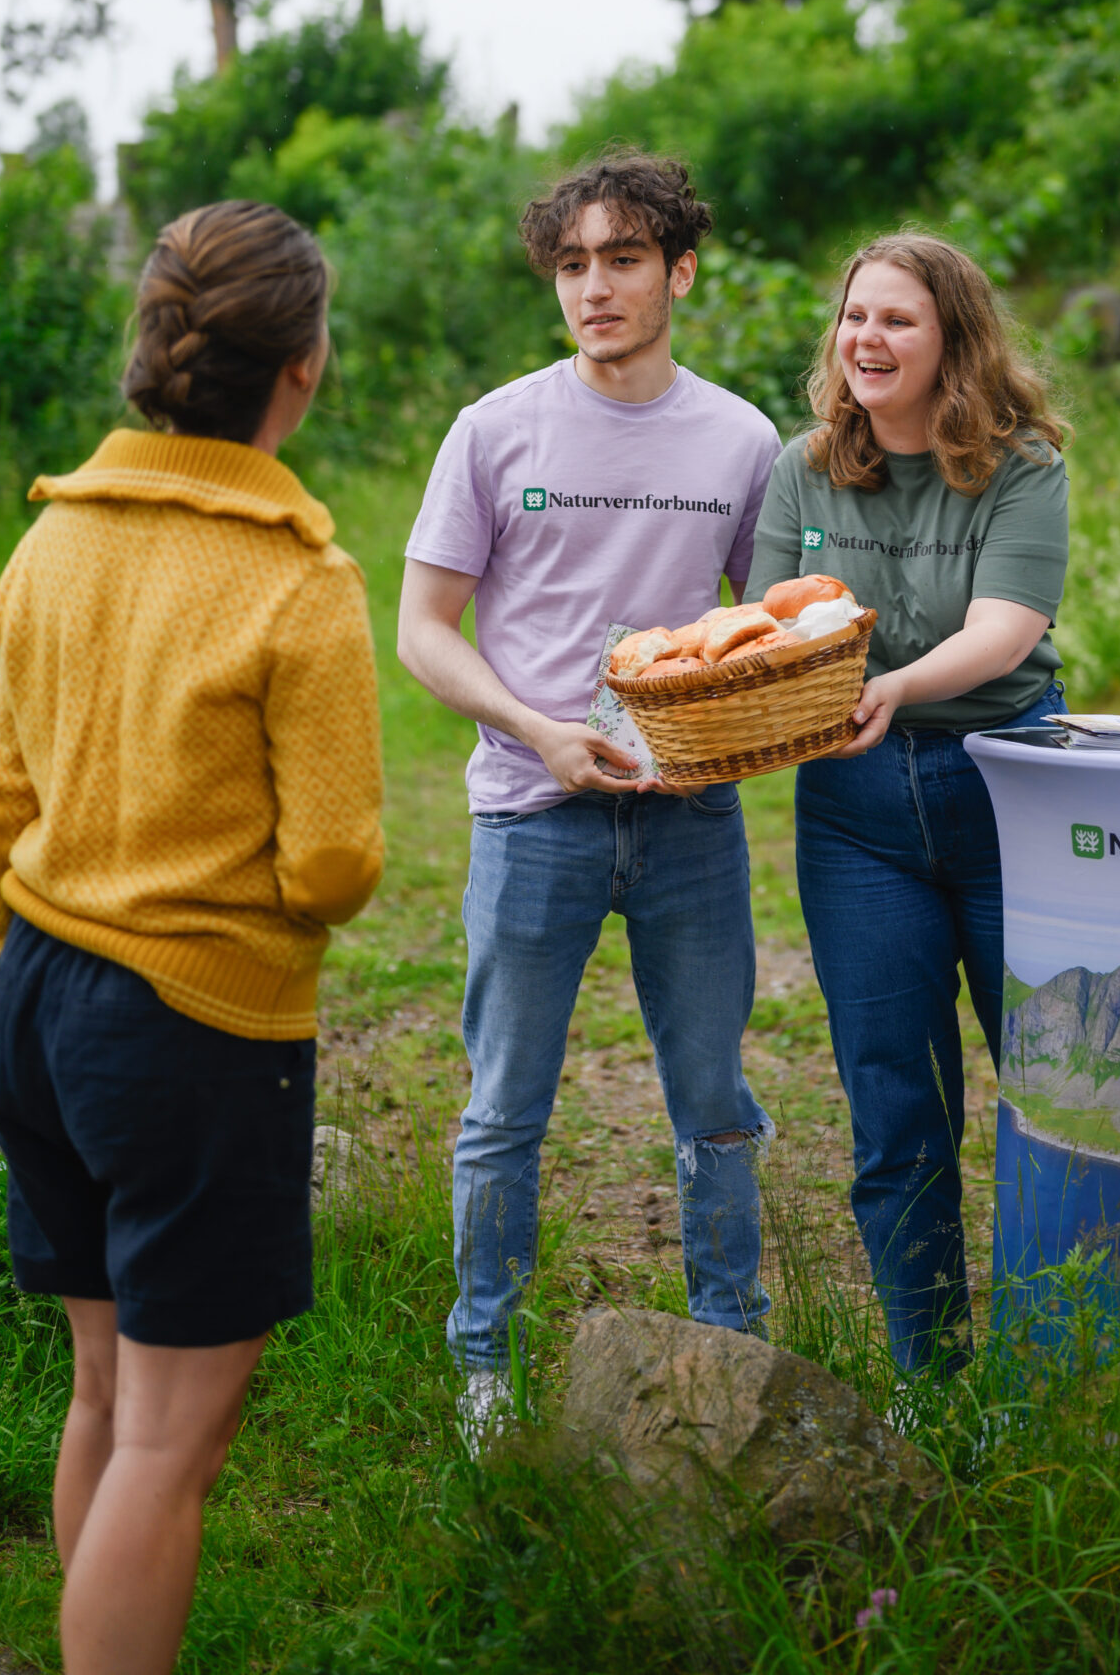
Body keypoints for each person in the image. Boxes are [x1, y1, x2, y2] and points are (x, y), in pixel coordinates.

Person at [0, 200, 385, 1675]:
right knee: (168, 1446)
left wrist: (34, 951)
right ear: (305, 368)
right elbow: (332, 866)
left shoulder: (53, 540)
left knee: (102, 1397)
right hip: (192, 1037)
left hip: (34, 999)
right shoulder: (298, 582)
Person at [397, 153, 781, 1434]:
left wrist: (739, 722)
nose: (594, 287)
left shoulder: (740, 439)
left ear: (678, 271)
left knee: (714, 1106)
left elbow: (769, 624)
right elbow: (422, 628)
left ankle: (732, 1352)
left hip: (688, 821)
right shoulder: (496, 428)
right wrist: (535, 728)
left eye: (622, 259)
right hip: (530, 809)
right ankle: (485, 1371)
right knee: (504, 1107)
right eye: (572, 263)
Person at [746, 232, 1068, 1379]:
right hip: (853, 817)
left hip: (1007, 794)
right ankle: (930, 1380)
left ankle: (1061, 1371)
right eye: (854, 317)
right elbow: (770, 620)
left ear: (953, 342)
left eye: (897, 320)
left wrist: (890, 681)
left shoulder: (1019, 464)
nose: (867, 339)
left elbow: (1004, 631)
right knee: (895, 1111)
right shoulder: (803, 467)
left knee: (1054, 1095)